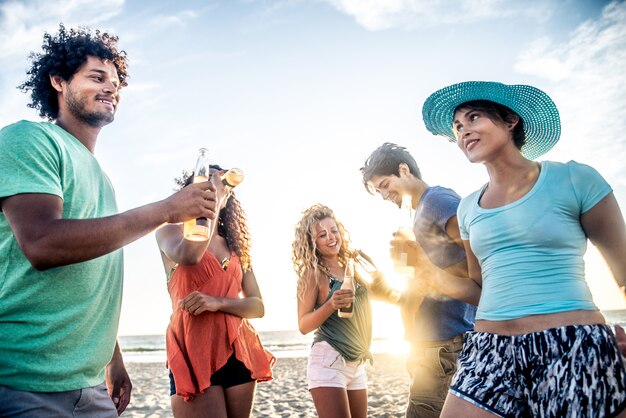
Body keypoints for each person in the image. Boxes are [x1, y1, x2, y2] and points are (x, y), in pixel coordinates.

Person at [0, 25, 217, 418]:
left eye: (116, 83)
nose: (110, 88)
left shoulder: (103, 179)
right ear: (58, 80)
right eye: (96, 77)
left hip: (90, 384)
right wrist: (167, 210)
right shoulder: (28, 139)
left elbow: (93, 277)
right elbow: (43, 244)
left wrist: (113, 360)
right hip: (21, 383)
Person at [420, 81, 626, 417]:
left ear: (510, 120)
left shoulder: (576, 179)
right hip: (489, 351)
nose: (463, 132)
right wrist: (424, 273)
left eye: (473, 118)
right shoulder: (468, 208)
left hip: (571, 346)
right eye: (457, 127)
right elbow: (479, 287)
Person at [360, 142, 477, 418]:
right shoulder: (420, 211)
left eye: (386, 185)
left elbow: (478, 256)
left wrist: (419, 260)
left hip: (443, 344)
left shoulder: (437, 201)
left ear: (404, 170)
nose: (385, 195)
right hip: (432, 344)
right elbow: (427, 281)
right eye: (379, 191)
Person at [156, 167, 275, 418]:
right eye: (206, 184)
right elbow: (190, 256)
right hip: (193, 352)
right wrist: (214, 200)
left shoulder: (237, 247)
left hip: (239, 351)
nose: (213, 189)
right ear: (190, 191)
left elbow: (257, 306)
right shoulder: (170, 232)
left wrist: (216, 302)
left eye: (219, 185)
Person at [292, 204, 380, 418]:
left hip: (357, 362)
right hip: (329, 361)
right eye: (322, 235)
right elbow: (303, 325)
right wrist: (331, 304)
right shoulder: (313, 274)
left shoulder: (352, 268)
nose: (331, 237)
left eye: (334, 231)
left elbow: (380, 292)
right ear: (312, 242)